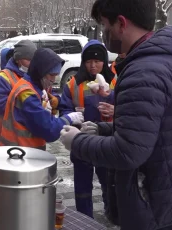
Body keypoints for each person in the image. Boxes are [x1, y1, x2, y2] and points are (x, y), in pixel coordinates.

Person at [60, 0, 172, 229]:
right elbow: (154, 128)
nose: (104, 33)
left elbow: (128, 151)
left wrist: (77, 142)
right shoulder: (165, 60)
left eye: (105, 26)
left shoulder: (145, 71)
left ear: (121, 24)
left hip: (157, 207)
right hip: (169, 196)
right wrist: (102, 128)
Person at [59, 40, 116, 219]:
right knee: (82, 186)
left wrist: (114, 111)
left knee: (109, 182)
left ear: (104, 61)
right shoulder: (73, 83)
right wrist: (73, 119)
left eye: (97, 61)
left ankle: (111, 214)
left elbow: (129, 107)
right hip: (81, 140)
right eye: (89, 61)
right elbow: (64, 108)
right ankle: (85, 218)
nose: (93, 66)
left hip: (106, 140)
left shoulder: (115, 81)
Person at [0, 48, 84, 149]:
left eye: (56, 75)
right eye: (51, 75)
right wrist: (69, 118)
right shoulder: (26, 93)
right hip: (21, 152)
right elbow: (48, 130)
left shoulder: (34, 86)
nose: (53, 80)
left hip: (23, 150)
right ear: (40, 71)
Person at [0, 40, 37, 146]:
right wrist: (30, 106)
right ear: (18, 60)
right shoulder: (4, 78)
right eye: (28, 60)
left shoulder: (33, 75)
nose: (31, 63)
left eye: (33, 60)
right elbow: (0, 106)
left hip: (28, 135)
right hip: (7, 136)